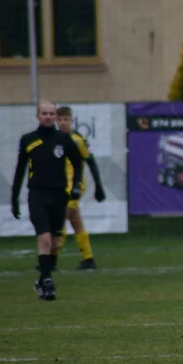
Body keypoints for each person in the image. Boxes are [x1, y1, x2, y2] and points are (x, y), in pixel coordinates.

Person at [10, 101, 85, 301]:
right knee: (44, 237)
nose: (49, 117)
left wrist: (76, 186)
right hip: (37, 194)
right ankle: (48, 281)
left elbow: (78, 163)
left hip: (59, 194)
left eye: (52, 113)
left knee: (55, 240)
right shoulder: (28, 140)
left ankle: (43, 279)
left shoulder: (64, 139)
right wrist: (14, 198)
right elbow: (20, 170)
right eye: (45, 113)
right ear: (38, 116)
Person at [55, 106, 107, 270]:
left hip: (75, 186)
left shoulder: (78, 139)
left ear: (71, 120)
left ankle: (50, 260)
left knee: (60, 219)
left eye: (66, 119)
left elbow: (91, 162)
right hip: (59, 186)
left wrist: (99, 186)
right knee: (75, 221)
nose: (63, 123)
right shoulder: (52, 139)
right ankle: (88, 259)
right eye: (60, 119)